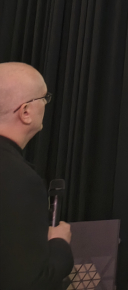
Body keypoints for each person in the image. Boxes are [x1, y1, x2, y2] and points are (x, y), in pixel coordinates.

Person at [0, 62, 74, 290]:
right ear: (25, 112)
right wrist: (60, 243)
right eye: (44, 98)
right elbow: (32, 282)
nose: (46, 104)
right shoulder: (20, 179)